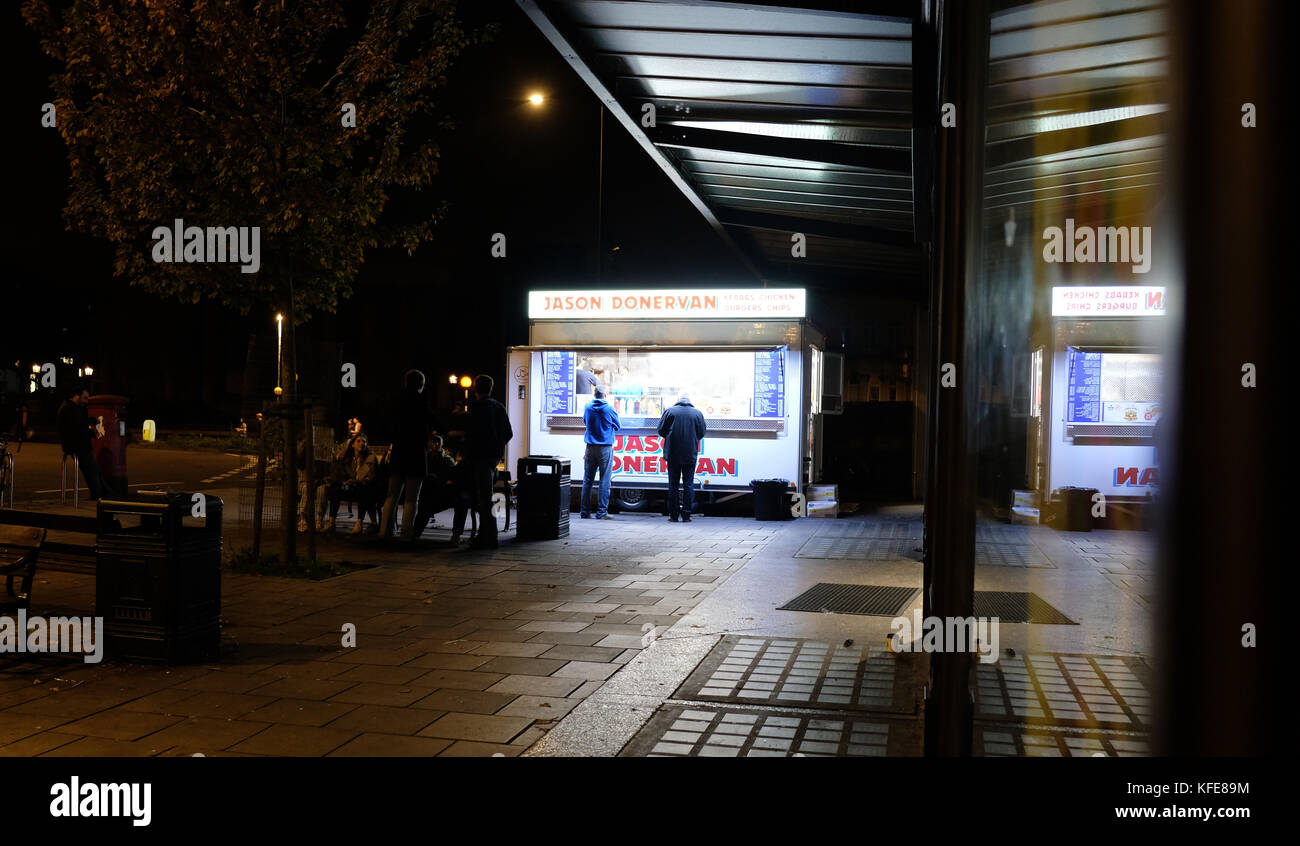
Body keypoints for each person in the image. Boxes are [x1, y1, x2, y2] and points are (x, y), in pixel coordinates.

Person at [380, 369, 438, 541]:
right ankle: (406, 534)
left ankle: (384, 532)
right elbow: (434, 419)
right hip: (416, 453)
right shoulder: (421, 401)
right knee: (411, 498)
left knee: (392, 495)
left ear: (405, 382)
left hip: (399, 450)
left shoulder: (396, 400)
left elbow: (386, 423)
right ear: (421, 384)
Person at [463, 374, 513, 549]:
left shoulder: (475, 407)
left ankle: (488, 536)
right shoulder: (498, 406)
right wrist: (497, 447)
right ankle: (486, 534)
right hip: (493, 457)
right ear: (491, 388)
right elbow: (508, 433)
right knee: (487, 495)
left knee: (484, 497)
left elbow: (470, 433)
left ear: (476, 388)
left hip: (479, 457)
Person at [657, 393, 706, 523]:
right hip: (690, 454)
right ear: (689, 401)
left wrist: (671, 435)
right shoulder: (697, 413)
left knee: (673, 485)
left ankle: (673, 515)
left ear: (678, 401)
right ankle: (686, 515)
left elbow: (661, 431)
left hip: (673, 453)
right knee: (688, 485)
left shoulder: (669, 412)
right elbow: (701, 433)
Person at [319, 433, 380, 534]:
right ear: (352, 444)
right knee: (335, 487)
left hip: (364, 488)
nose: (362, 444)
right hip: (348, 488)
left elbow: (371, 478)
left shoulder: (371, 458)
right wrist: (344, 482)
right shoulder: (345, 458)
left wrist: (356, 481)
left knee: (364, 489)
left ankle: (359, 522)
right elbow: (339, 474)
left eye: (364, 442)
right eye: (359, 441)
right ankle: (331, 522)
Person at [56, 387, 106, 501]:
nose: (86, 401)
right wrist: (92, 432)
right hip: (77, 445)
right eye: (85, 398)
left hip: (74, 444)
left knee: (93, 470)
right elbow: (78, 428)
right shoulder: (70, 409)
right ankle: (99, 496)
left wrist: (89, 425)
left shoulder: (71, 408)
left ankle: (100, 494)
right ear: (76, 396)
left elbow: (79, 425)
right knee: (92, 470)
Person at [579, 387, 620, 519]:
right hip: (605, 448)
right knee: (604, 480)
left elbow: (585, 421)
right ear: (605, 395)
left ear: (594, 394)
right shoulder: (609, 408)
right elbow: (618, 426)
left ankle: (585, 512)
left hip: (590, 447)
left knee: (587, 480)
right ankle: (601, 512)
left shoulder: (587, 407)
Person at [411, 433, 458, 538]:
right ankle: (414, 534)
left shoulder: (446, 460)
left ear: (439, 444)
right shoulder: (427, 458)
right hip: (429, 491)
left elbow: (449, 476)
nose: (434, 444)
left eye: (436, 442)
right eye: (432, 442)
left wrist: (435, 478)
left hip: (440, 492)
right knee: (424, 508)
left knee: (424, 509)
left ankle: (414, 534)